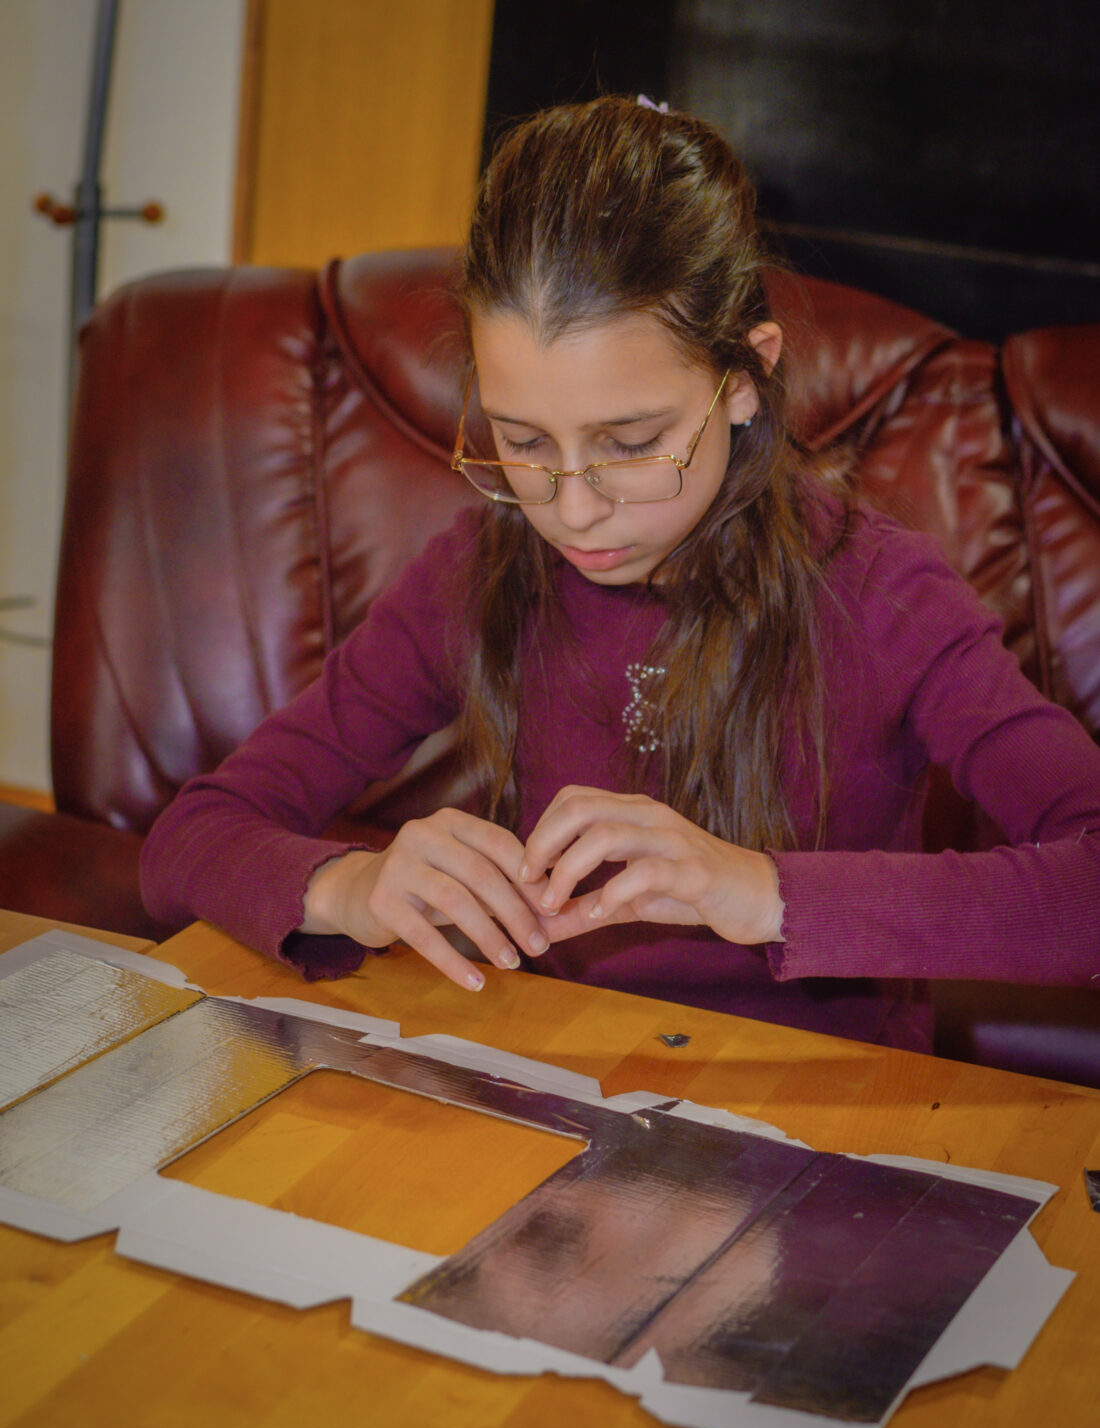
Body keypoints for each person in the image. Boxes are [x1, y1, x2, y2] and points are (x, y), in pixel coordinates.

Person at [140, 96, 1100, 1053]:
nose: (572, 509)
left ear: (744, 381)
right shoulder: (475, 575)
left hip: (828, 1101)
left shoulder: (886, 596)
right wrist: (351, 885)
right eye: (523, 442)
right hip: (556, 1080)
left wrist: (759, 889)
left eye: (632, 444)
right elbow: (193, 836)